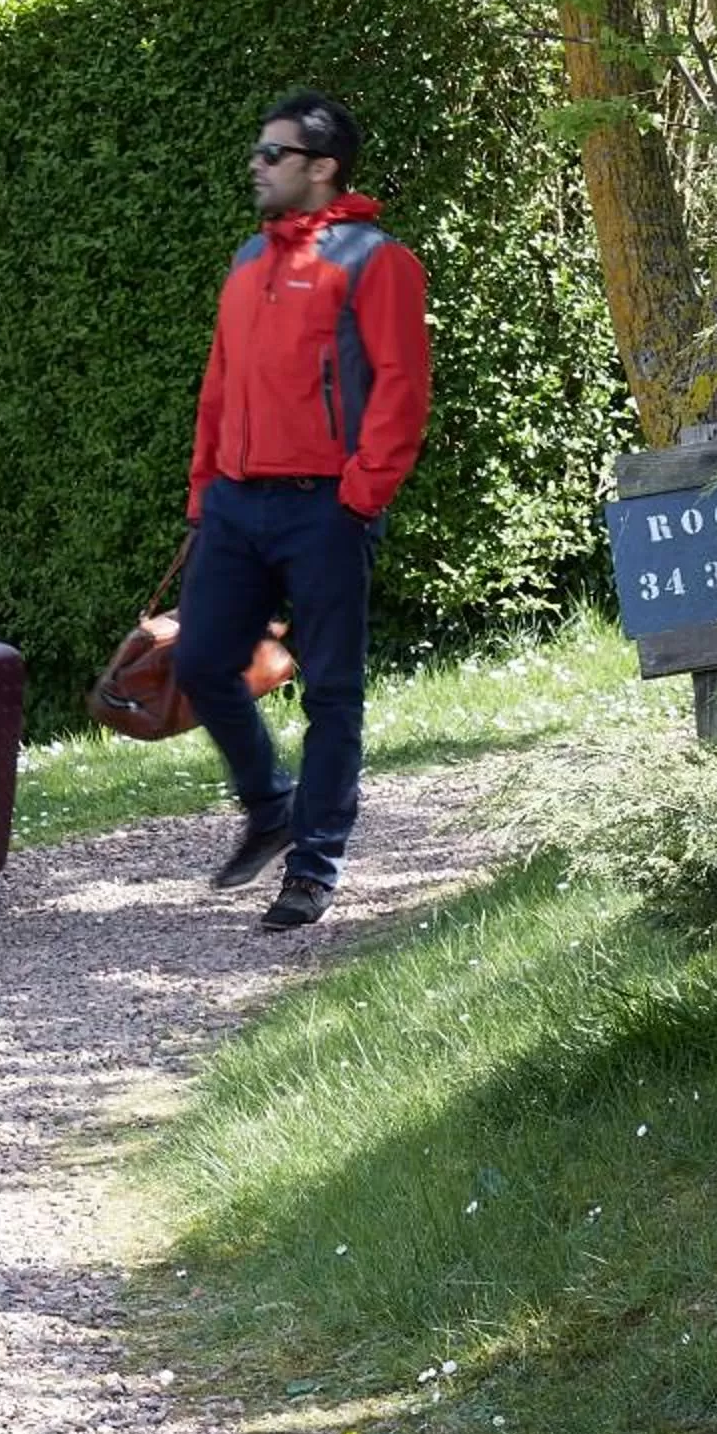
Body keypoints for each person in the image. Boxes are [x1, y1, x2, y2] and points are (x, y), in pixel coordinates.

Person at [176, 91, 432, 930]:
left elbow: (401, 384)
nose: (257, 162)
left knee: (332, 692)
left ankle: (314, 866)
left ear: (321, 168)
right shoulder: (248, 260)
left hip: (325, 509)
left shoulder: (376, 259)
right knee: (201, 663)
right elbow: (220, 385)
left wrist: (361, 495)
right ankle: (270, 803)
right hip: (237, 509)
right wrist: (205, 491)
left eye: (273, 152)